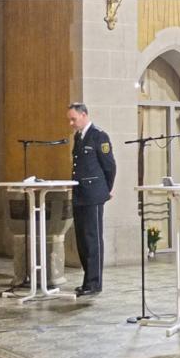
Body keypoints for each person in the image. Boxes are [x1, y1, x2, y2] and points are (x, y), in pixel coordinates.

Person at [67, 102, 116, 297]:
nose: (71, 123)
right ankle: (87, 280)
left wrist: (106, 189)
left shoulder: (99, 136)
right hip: (79, 194)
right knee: (82, 240)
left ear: (84, 115)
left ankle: (94, 283)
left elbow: (109, 166)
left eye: (73, 119)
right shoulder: (78, 136)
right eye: (69, 119)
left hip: (94, 194)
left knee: (92, 239)